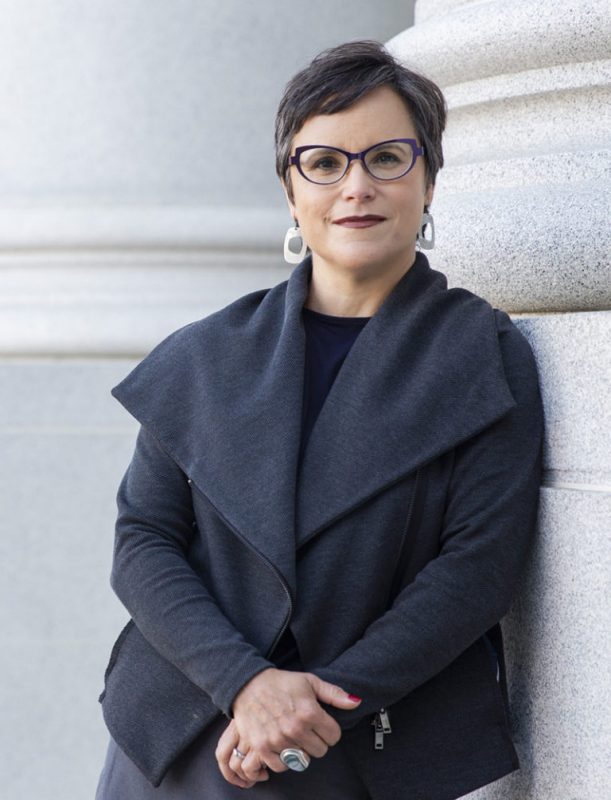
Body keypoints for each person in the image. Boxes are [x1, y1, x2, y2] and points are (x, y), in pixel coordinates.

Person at [96, 40, 543, 800]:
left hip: (360, 739)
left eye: (386, 158)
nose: (356, 187)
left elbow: (477, 569)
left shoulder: (483, 355)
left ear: (429, 179)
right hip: (184, 729)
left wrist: (310, 707)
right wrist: (246, 685)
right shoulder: (204, 355)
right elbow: (143, 541)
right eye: (325, 163)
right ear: (290, 189)